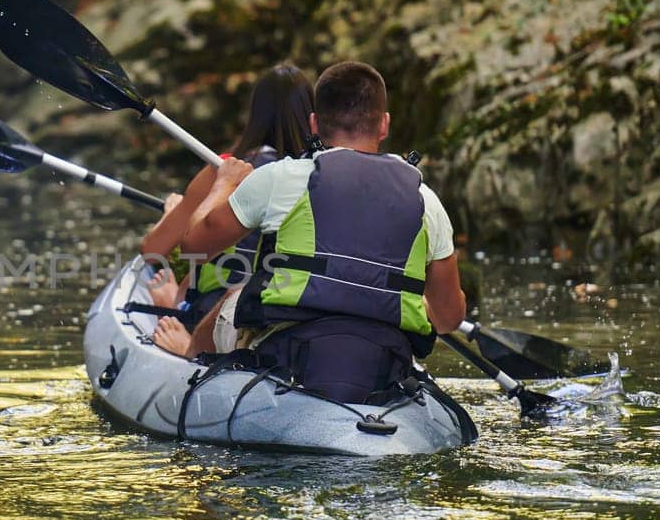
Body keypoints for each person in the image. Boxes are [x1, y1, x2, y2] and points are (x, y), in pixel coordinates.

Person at [178, 61, 467, 402]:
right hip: (382, 355)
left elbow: (192, 246)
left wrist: (222, 184)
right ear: (384, 124)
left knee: (231, 296)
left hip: (286, 348)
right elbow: (449, 319)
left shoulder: (277, 177)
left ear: (314, 123)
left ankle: (185, 367)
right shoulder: (426, 200)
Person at [140, 65, 314, 358]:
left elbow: (153, 251)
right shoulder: (320, 176)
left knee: (189, 275)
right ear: (313, 116)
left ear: (254, 115)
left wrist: (171, 213)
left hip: (214, 308)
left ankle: (177, 308)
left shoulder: (224, 169)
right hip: (291, 308)